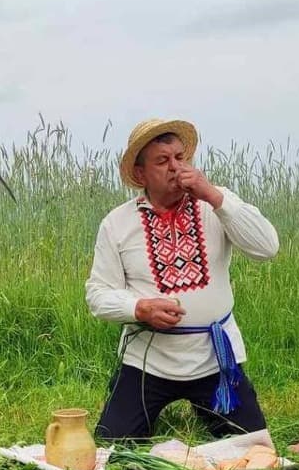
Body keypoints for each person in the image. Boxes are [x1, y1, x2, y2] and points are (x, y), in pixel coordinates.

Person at [85, 118, 279, 441]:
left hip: (214, 359)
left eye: (180, 158)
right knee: (111, 448)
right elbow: (97, 294)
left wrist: (215, 197)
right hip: (147, 361)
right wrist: (139, 308)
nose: (175, 167)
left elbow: (267, 247)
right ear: (140, 174)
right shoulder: (117, 224)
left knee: (254, 449)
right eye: (162, 161)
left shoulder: (215, 205)